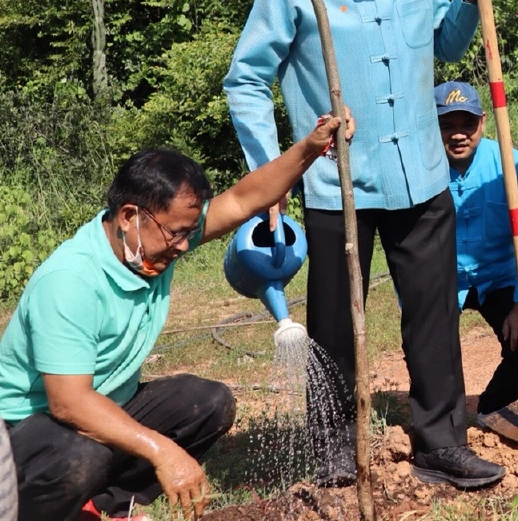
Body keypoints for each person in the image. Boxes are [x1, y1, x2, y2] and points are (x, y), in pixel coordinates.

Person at [223, 0, 505, 488]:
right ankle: (331, 448)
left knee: (433, 315)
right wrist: (272, 174)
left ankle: (440, 444)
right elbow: (245, 81)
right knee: (332, 324)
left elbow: (447, 44)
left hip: (422, 179)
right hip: (336, 185)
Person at [0, 113, 353, 521]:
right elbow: (68, 404)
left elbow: (242, 200)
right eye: (177, 234)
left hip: (100, 409)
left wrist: (311, 147)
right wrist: (160, 450)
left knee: (206, 403)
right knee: (81, 454)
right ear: (130, 216)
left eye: (190, 232)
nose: (185, 246)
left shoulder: (151, 242)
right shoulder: (70, 281)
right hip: (24, 437)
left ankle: (102, 507)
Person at [434, 81, 518, 416]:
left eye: (467, 124)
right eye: (447, 125)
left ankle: (488, 410)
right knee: (428, 354)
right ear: (432, 126)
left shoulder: (511, 164)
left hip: (498, 277)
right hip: (441, 280)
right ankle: (442, 425)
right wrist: (409, 301)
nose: (458, 135)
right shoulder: (421, 169)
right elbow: (400, 241)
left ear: (482, 121)